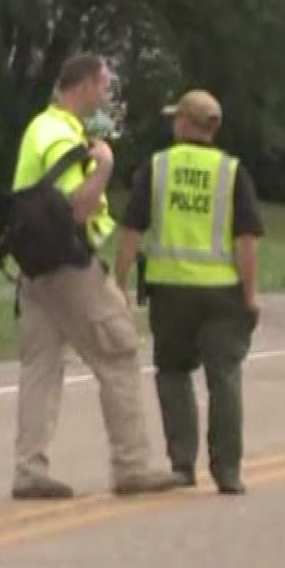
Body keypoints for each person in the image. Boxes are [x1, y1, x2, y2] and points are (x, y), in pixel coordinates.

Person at [8, 53, 181, 499]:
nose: (105, 95)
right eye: (103, 86)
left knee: (41, 365)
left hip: (35, 265)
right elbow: (76, 208)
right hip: (69, 264)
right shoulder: (62, 136)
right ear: (84, 85)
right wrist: (103, 164)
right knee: (118, 351)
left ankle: (29, 468)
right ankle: (131, 465)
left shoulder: (40, 127)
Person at [112, 89, 262, 494]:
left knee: (173, 372)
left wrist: (119, 281)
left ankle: (182, 463)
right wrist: (250, 295)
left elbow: (131, 230)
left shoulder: (158, 167)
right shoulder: (232, 172)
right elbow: (246, 241)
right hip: (222, 292)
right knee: (224, 378)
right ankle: (227, 470)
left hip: (171, 291)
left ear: (183, 123)